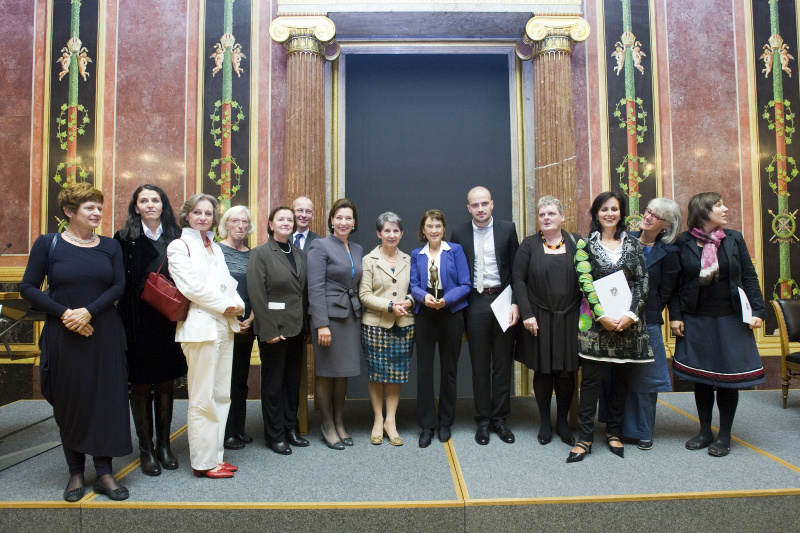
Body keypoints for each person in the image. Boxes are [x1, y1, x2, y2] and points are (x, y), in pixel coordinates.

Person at [21, 182, 131, 501]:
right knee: (71, 400)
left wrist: (88, 312)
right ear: (69, 212)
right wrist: (67, 314)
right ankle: (75, 473)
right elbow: (29, 287)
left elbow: (119, 285)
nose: (97, 212)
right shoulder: (48, 244)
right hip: (63, 334)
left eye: (99, 206)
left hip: (104, 333)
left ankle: (105, 472)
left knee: (105, 401)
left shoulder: (110, 246)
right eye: (89, 207)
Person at [669, 192, 765, 457]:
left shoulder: (733, 239)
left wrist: (758, 310)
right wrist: (675, 315)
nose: (725, 208)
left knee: (727, 378)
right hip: (696, 318)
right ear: (703, 211)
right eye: (719, 205)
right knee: (701, 378)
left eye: (724, 203)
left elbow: (749, 276)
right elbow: (675, 285)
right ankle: (704, 431)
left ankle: (724, 435)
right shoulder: (684, 242)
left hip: (730, 318)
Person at [567, 191, 652, 463]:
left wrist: (630, 314)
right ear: (596, 214)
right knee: (591, 382)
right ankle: (585, 437)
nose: (609, 213)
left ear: (621, 213)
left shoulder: (633, 245)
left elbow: (642, 282)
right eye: (604, 209)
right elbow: (585, 283)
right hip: (595, 325)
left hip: (628, 323)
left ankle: (614, 432)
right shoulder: (585, 246)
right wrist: (601, 315)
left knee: (620, 381)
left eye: (614, 209)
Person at [168, 193, 244, 478]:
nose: (203, 217)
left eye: (208, 213)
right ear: (187, 215)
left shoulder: (214, 245)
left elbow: (228, 283)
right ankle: (202, 462)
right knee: (202, 397)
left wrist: (239, 305)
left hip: (225, 325)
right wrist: (226, 305)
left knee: (221, 395)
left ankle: (216, 457)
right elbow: (190, 287)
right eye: (197, 212)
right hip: (200, 327)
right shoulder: (179, 245)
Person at [114, 184, 186, 477]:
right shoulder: (124, 239)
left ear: (163, 205)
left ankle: (164, 445)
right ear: (136, 207)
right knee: (142, 384)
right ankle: (145, 449)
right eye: (143, 200)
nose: (150, 204)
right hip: (137, 319)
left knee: (166, 382)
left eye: (155, 200)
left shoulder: (177, 237)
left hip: (169, 318)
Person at [450, 186, 520, 445]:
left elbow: (517, 270)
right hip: (475, 301)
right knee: (479, 365)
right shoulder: (458, 233)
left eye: (484, 204)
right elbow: (455, 271)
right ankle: (482, 421)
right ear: (469, 208)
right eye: (475, 205)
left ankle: (500, 420)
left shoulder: (507, 229)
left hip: (503, 298)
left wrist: (515, 303)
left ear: (492, 204)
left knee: (502, 364)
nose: (480, 209)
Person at [511, 196, 581, 447]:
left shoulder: (577, 243)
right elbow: (518, 280)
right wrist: (527, 314)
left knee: (565, 372)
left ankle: (562, 421)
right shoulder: (528, 245)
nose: (547, 218)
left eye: (551, 213)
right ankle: (544, 421)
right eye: (542, 215)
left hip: (571, 317)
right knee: (542, 371)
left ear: (562, 217)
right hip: (537, 317)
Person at [247, 206, 309, 455]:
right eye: (281, 219)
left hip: (296, 328)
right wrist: (268, 329)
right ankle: (274, 435)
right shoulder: (261, 253)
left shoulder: (299, 253)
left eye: (290, 219)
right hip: (273, 329)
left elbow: (301, 292)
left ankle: (290, 428)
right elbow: (256, 294)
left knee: (292, 382)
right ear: (271, 223)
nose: (286, 222)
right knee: (273, 384)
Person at [622, 198, 681, 450]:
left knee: (646, 380)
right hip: (619, 318)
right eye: (648, 211)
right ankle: (622, 428)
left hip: (648, 320)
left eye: (655, 215)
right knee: (622, 375)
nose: (648, 216)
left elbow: (669, 291)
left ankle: (644, 430)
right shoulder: (626, 240)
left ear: (666, 225)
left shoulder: (669, 253)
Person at [410, 209, 471, 448]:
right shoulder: (417, 254)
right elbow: (413, 284)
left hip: (451, 310)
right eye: (429, 226)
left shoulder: (454, 250)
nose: (434, 230)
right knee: (424, 370)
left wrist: (446, 301)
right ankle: (427, 425)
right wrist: (424, 297)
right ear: (423, 230)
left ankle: (445, 422)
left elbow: (465, 284)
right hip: (425, 312)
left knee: (449, 370)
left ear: (444, 228)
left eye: (438, 226)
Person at [307, 198, 363, 450]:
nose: (343, 222)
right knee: (327, 372)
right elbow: (315, 287)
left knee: (343, 373)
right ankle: (327, 424)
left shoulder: (358, 249)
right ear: (331, 220)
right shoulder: (320, 246)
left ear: (354, 222)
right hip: (328, 318)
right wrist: (321, 324)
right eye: (339, 217)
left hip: (351, 316)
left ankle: (340, 422)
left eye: (348, 218)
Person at [359, 212, 415, 446]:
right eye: (387, 231)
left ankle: (390, 421)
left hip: (404, 324)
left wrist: (410, 301)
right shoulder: (368, 260)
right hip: (375, 324)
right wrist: (390, 306)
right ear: (379, 233)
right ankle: (377, 419)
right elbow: (364, 295)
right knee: (377, 375)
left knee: (396, 376)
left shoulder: (409, 259)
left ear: (401, 234)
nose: (391, 235)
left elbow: (417, 288)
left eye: (395, 231)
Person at [218, 205, 256, 451]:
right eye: (235, 221)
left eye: (244, 222)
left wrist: (250, 319)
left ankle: (239, 430)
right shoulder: (215, 251)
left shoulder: (254, 255)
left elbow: (257, 292)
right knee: (223, 380)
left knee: (240, 379)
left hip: (246, 324)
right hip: (222, 324)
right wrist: (231, 319)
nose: (240, 226)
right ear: (226, 224)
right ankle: (225, 432)